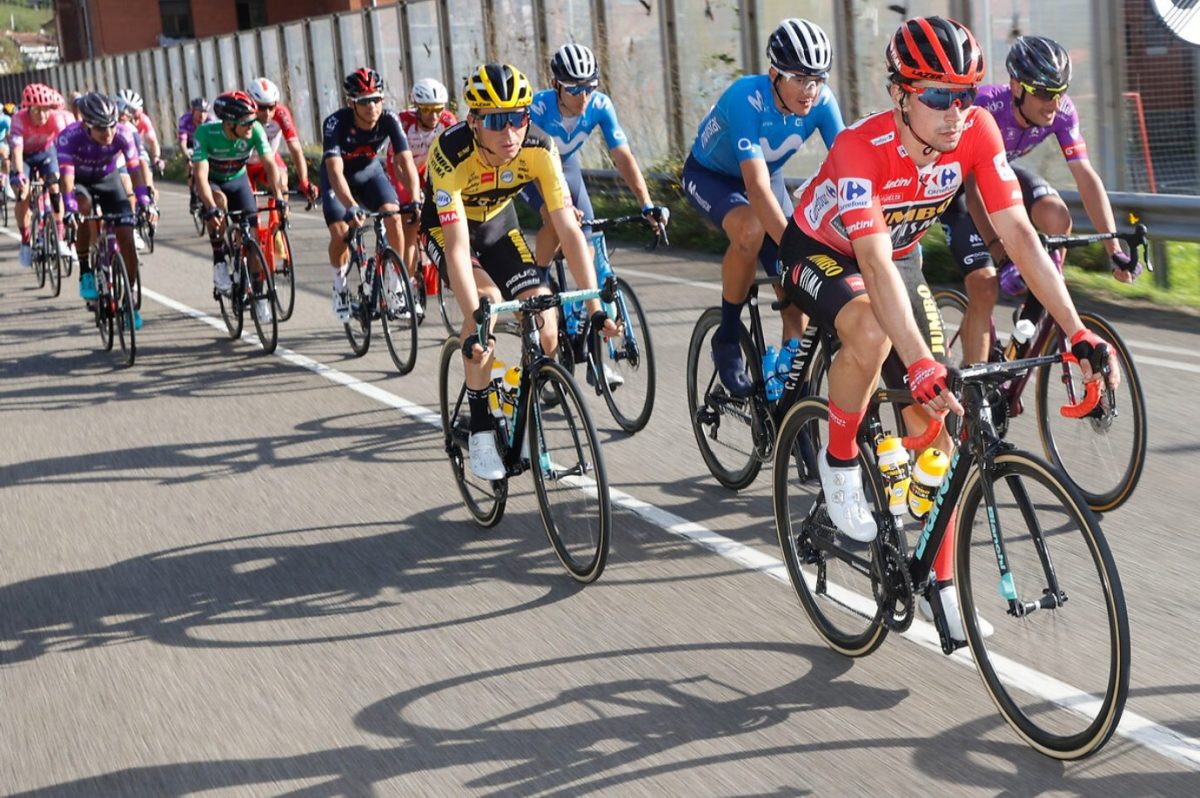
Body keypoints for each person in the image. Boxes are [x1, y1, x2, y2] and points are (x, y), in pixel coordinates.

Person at [779, 16, 1117, 640]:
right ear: (899, 94)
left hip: (898, 253)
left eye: (964, 94)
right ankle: (839, 457)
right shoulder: (859, 148)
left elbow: (1020, 236)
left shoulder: (977, 130)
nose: (955, 111)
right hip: (823, 250)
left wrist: (1077, 332)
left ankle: (941, 583)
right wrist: (917, 362)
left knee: (942, 426)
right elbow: (871, 264)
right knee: (874, 333)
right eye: (938, 95)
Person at [423, 63, 618, 480]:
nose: (509, 132)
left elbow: (568, 229)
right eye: (496, 121)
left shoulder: (540, 146)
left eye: (517, 117)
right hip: (448, 229)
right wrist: (475, 321)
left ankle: (516, 401)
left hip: (498, 224)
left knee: (546, 323)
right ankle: (479, 427)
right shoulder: (451, 152)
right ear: (474, 121)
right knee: (487, 302)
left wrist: (594, 306)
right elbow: (457, 248)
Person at [942, 35, 1142, 365]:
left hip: (999, 172)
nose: (1054, 103)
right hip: (959, 188)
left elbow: (1086, 177)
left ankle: (1040, 298)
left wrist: (1114, 250)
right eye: (1045, 93)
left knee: (1056, 215)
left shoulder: (1062, 112)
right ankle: (973, 384)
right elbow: (974, 190)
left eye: (1060, 92)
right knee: (985, 286)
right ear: (1016, 87)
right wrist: (1000, 253)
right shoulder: (986, 107)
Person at [682, 18, 844, 397]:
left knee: (795, 291)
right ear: (774, 74)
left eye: (817, 79)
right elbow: (755, 188)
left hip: (767, 177)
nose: (810, 90)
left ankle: (788, 389)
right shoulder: (746, 97)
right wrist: (795, 246)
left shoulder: (822, 102)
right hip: (712, 177)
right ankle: (726, 337)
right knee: (752, 230)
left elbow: (849, 168)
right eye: (799, 79)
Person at [523, 43, 667, 269]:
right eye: (573, 89)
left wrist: (646, 203)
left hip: (566, 166)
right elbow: (531, 163)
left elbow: (623, 157)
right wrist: (559, 206)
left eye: (589, 87)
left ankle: (588, 293)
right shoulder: (537, 108)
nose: (583, 97)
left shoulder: (601, 105)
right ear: (555, 85)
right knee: (556, 220)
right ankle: (537, 281)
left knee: (587, 238)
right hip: (532, 171)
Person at [320, 68, 420, 322]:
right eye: (364, 101)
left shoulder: (390, 119)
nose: (372, 107)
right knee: (341, 233)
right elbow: (335, 171)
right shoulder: (335, 123)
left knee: (393, 215)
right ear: (351, 102)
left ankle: (396, 285)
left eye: (376, 99)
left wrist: (415, 198)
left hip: (369, 173)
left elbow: (405, 161)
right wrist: (351, 205)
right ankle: (340, 287)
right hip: (338, 179)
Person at [58, 93, 155, 328]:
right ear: (86, 125)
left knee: (126, 236)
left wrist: (144, 200)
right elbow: (67, 178)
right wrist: (69, 207)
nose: (108, 133)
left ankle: (129, 299)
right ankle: (85, 270)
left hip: (108, 179)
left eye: (111, 126)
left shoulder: (123, 133)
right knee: (82, 208)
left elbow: (134, 169)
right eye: (101, 128)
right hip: (80, 181)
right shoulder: (69, 137)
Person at [192, 91, 288, 321]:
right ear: (229, 123)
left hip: (237, 180)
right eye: (246, 122)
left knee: (253, 237)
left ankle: (259, 295)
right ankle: (219, 261)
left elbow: (270, 164)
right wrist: (210, 208)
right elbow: (200, 176)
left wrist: (279, 196)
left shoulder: (255, 130)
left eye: (253, 120)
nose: (252, 125)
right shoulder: (205, 133)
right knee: (219, 204)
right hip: (213, 182)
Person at [385, 77, 457, 309]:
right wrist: (413, 198)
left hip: (428, 170)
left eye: (438, 109)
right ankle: (405, 284)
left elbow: (456, 160)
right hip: (400, 171)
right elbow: (397, 165)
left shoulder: (448, 121)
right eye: (427, 110)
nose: (434, 116)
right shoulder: (403, 123)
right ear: (416, 107)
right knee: (411, 222)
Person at [10, 82, 71, 268]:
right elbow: (17, 151)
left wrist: (67, 170)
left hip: (46, 153)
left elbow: (64, 147)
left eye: (46, 109)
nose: (43, 115)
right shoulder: (19, 119)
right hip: (25, 157)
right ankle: (25, 241)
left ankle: (59, 237)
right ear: (28, 108)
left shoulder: (56, 119)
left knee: (54, 186)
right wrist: (19, 174)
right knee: (24, 193)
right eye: (37, 110)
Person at [178, 97, 214, 211]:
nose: (202, 116)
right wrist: (188, 156)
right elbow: (183, 143)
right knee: (190, 165)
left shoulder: (211, 120)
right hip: (191, 143)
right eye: (199, 112)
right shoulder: (185, 120)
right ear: (193, 111)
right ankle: (193, 193)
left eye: (205, 112)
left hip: (205, 143)